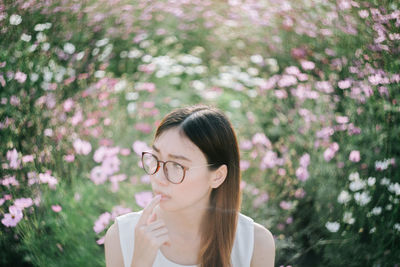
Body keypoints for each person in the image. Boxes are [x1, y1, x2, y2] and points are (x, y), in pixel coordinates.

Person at [104, 105, 275, 267]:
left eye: (177, 166)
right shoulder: (122, 236)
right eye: (155, 158)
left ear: (217, 176)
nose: (158, 177)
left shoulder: (254, 244)